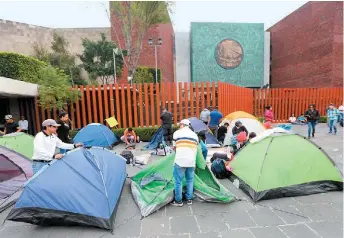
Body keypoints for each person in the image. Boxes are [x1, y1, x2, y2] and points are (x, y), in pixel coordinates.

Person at [171, 119, 198, 207]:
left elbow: (174, 148)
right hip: (191, 161)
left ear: (182, 125)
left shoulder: (177, 133)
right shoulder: (195, 135)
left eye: (180, 124)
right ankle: (189, 199)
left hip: (180, 160)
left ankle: (178, 201)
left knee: (178, 181)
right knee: (190, 180)